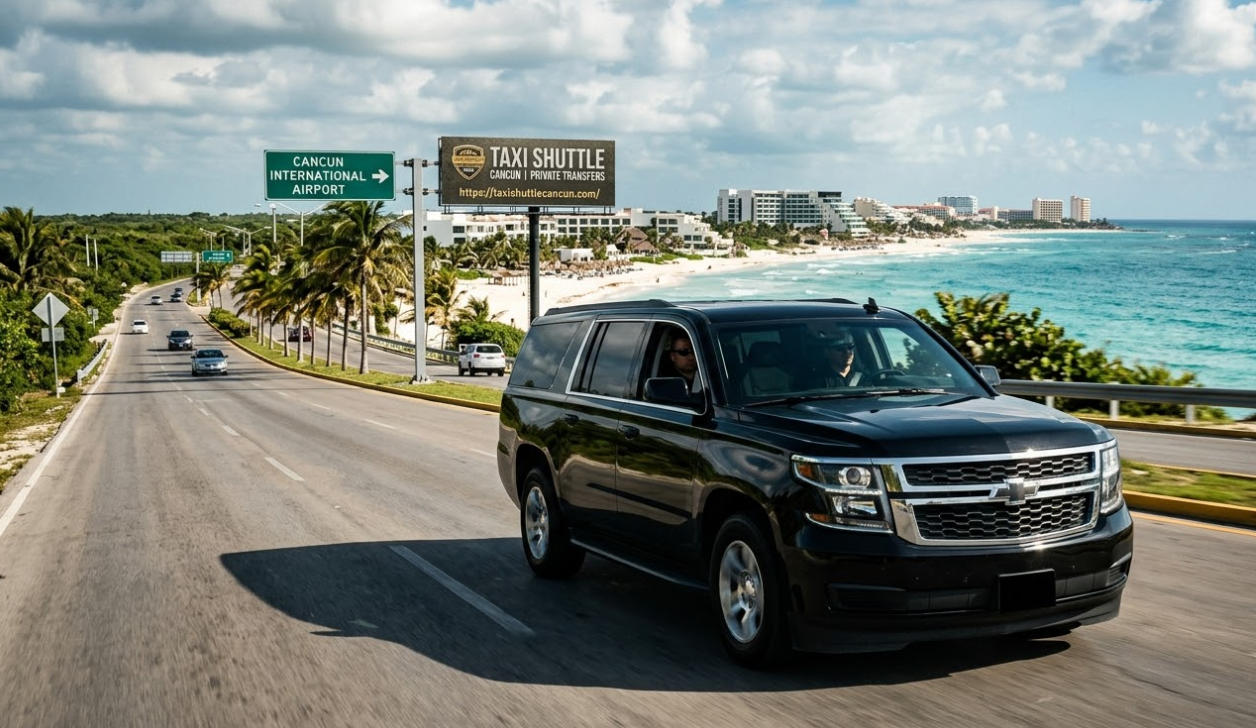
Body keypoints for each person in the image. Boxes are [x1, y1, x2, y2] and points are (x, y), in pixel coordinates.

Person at [667, 331, 703, 396]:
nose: (691, 357)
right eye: (684, 352)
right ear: (672, 356)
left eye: (694, 351)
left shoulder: (708, 377)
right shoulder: (668, 383)